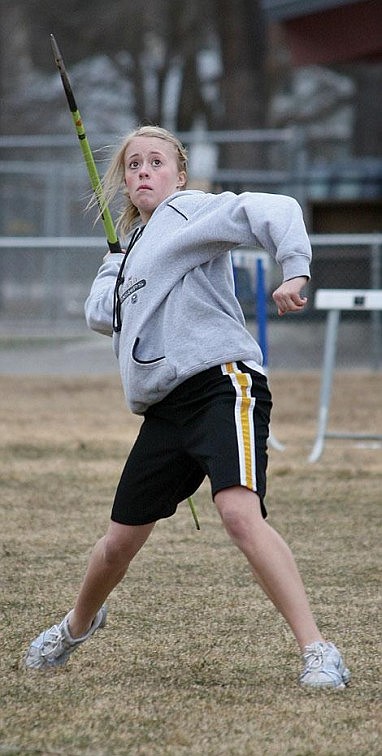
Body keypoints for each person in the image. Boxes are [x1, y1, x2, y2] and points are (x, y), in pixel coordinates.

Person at [25, 125, 350, 688]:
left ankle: (319, 650)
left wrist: (294, 266)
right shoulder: (127, 254)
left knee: (238, 513)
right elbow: (103, 316)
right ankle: (76, 626)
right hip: (166, 409)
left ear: (178, 174)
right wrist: (116, 267)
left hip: (221, 384)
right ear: (125, 184)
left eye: (156, 162)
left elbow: (270, 207)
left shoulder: (189, 212)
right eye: (133, 166)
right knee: (118, 543)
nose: (144, 171)